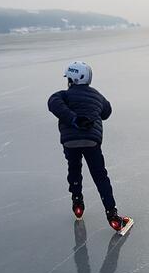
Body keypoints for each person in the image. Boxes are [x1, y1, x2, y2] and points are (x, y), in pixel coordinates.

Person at [48, 61, 131, 232]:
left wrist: (72, 118)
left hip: (70, 142)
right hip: (91, 141)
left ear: (71, 79)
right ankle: (113, 216)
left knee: (74, 168)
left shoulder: (63, 95)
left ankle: (77, 202)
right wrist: (86, 113)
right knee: (100, 176)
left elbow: (53, 102)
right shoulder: (97, 96)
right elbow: (106, 111)